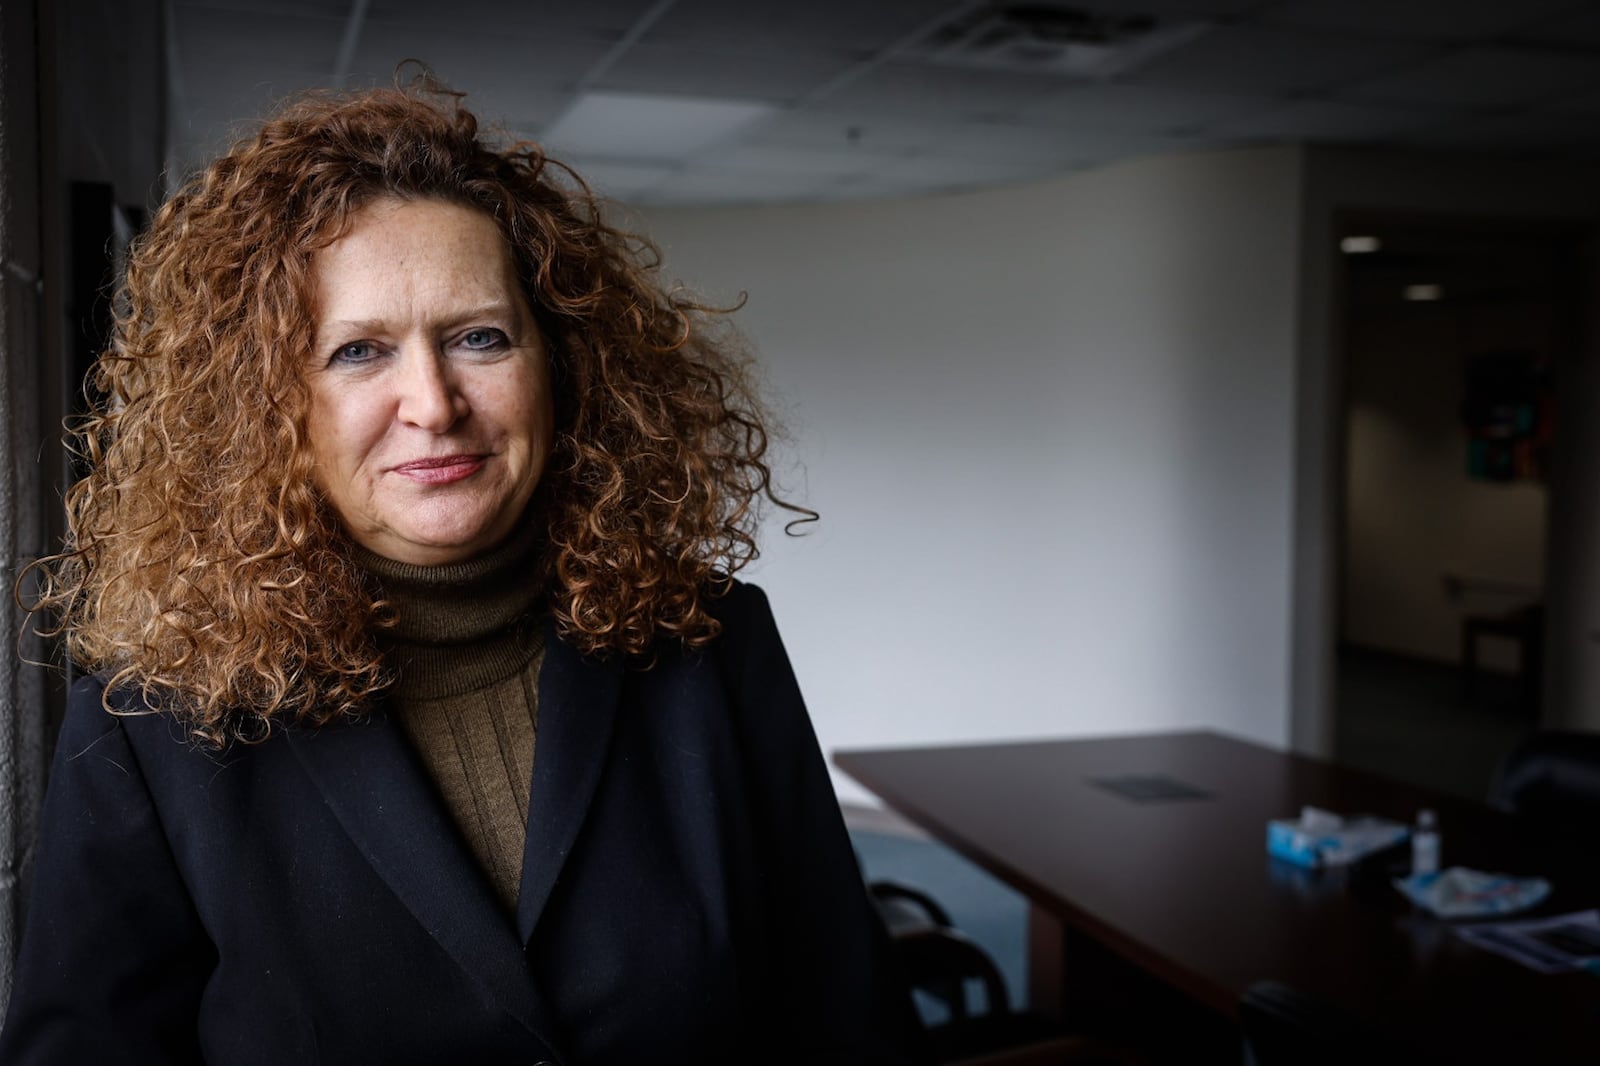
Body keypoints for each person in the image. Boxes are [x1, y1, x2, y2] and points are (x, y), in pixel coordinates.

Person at [0, 81, 921, 1065]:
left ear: (558, 365)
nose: (433, 404)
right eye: (358, 351)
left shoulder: (711, 639)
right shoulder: (153, 729)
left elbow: (845, 1011)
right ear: (267, 407)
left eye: (478, 336)